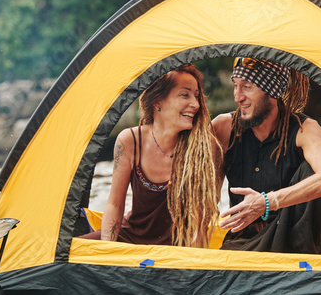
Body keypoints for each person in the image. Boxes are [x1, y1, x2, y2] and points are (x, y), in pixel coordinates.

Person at [79, 64, 223, 248]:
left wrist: (196, 267)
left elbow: (201, 219)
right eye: (185, 95)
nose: (195, 104)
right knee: (61, 258)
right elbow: (115, 205)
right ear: (157, 102)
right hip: (129, 238)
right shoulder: (130, 140)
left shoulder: (203, 147)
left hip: (177, 247)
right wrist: (108, 251)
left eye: (196, 95)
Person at [212, 57, 321, 254]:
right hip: (244, 242)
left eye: (247, 87)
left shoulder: (304, 129)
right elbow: (204, 194)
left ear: (272, 91)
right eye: (235, 86)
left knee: (311, 171)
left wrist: (267, 202)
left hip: (296, 244)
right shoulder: (223, 127)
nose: (238, 97)